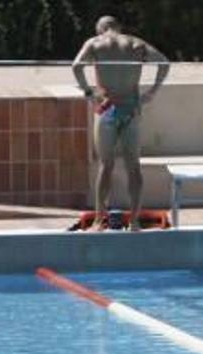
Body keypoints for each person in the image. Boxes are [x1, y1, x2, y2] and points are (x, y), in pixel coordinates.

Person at [72, 15, 170, 231]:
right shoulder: (135, 43)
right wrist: (152, 92)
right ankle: (134, 222)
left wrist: (89, 92)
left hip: (107, 107)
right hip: (131, 109)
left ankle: (99, 221)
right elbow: (164, 62)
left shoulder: (95, 43)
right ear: (118, 27)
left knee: (106, 166)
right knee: (133, 167)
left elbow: (76, 66)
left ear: (102, 28)